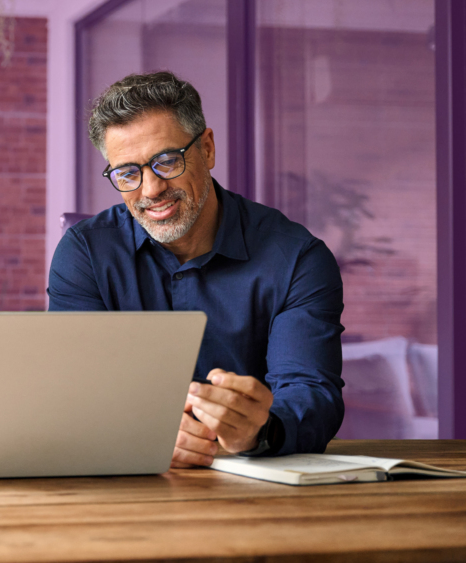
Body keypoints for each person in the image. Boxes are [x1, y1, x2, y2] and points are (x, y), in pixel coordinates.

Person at [48, 71, 344, 467]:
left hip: (254, 489)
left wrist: (261, 431)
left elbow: (311, 392)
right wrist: (144, 431)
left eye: (167, 161)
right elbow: (70, 392)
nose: (150, 189)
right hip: (127, 486)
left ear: (206, 149)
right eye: (127, 173)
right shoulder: (85, 252)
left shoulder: (297, 259)